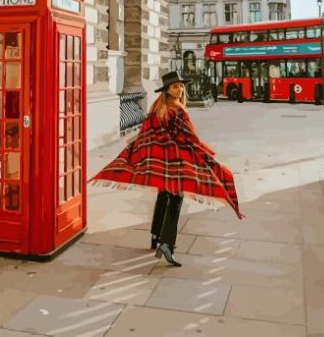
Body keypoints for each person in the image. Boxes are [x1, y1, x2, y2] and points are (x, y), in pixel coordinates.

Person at [88, 70, 245, 267]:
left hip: (160, 158)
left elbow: (147, 131)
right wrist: (208, 153)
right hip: (176, 159)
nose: (179, 89)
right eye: (175, 86)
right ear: (167, 90)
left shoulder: (158, 107)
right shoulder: (177, 109)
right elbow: (191, 138)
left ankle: (155, 235)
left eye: (180, 85)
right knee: (176, 198)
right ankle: (167, 243)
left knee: (163, 194)